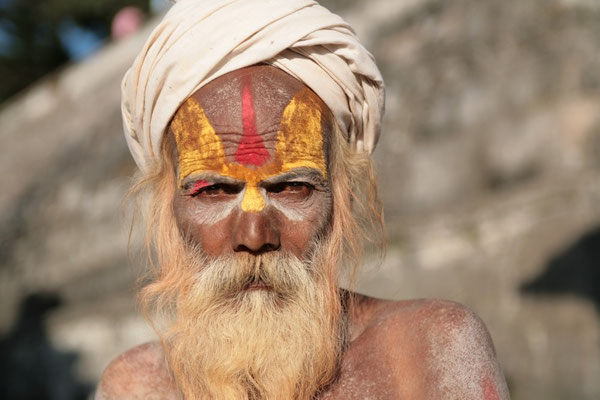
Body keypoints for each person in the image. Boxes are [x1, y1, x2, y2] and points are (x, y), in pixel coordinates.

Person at [96, 0, 510, 398]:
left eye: (292, 188)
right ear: (169, 207)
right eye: (215, 190)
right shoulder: (136, 387)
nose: (255, 235)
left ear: (342, 200)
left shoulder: (426, 350)